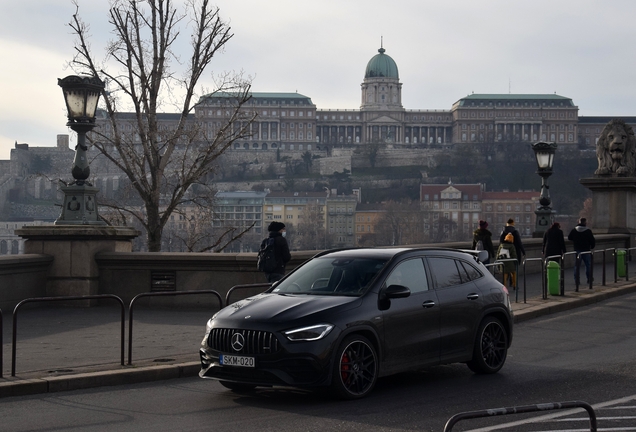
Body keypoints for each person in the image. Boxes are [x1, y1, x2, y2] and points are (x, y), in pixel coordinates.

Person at [568, 218, 596, 284]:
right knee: (588, 265)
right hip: (586, 250)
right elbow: (592, 240)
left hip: (577, 249)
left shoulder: (574, 230)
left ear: (579, 222)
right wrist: (591, 246)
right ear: (585, 223)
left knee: (577, 266)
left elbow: (569, 237)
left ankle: (577, 280)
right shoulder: (588, 231)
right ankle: (589, 278)